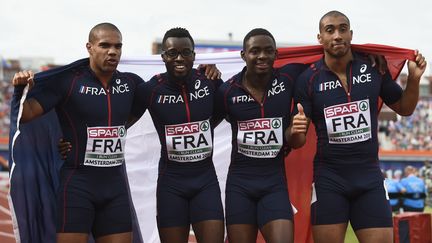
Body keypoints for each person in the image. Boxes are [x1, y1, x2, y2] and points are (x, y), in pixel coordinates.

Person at [292, 10, 426, 243]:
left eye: (343, 29)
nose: (337, 35)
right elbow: (298, 141)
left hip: (369, 178)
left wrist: (413, 79)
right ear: (320, 38)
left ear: (351, 34)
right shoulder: (308, 79)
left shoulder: (374, 68)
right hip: (329, 179)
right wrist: (296, 130)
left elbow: (405, 108)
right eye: (330, 30)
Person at [215, 28, 308, 243]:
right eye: (255, 51)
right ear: (244, 55)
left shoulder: (288, 79)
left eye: (268, 51)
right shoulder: (227, 91)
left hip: (274, 183)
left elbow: (328, 60)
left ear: (276, 54)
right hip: (239, 185)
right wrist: (206, 71)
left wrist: (369, 57)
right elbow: (204, 120)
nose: (262, 56)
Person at [141, 27, 224, 243]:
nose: (179, 58)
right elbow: (116, 119)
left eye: (186, 52)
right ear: (163, 57)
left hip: (205, 182)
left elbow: (234, 110)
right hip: (171, 185)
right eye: (172, 53)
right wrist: (72, 141)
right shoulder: (152, 89)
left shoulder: (209, 81)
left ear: (194, 56)